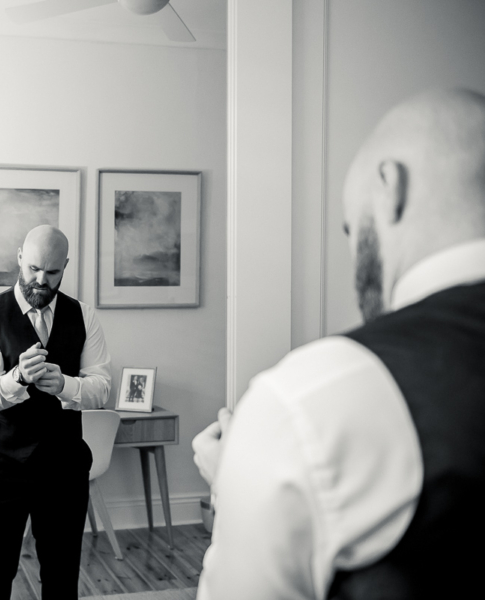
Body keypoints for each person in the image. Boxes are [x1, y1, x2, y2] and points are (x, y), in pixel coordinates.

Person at [191, 87, 485, 599]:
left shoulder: (317, 395)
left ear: (389, 185)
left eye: (353, 230)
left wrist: (236, 487)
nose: (354, 260)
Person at [0, 225, 112, 600]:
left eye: (52, 273)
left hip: (63, 465)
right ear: (20, 257)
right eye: (34, 267)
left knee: (62, 574)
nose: (41, 280)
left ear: (65, 266)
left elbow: (101, 388)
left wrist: (65, 385)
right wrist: (18, 376)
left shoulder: (84, 316)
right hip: (0, 466)